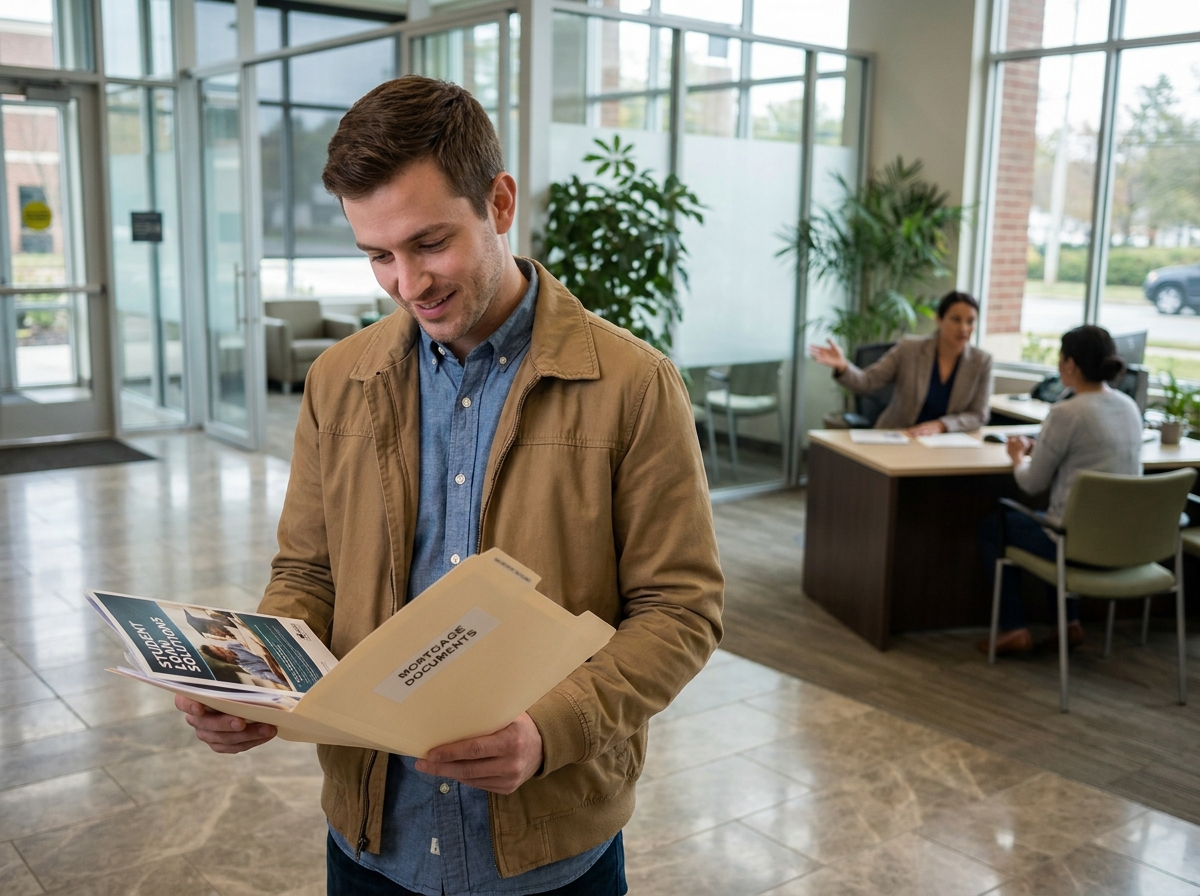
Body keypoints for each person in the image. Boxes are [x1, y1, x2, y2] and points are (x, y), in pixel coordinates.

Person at [174, 75, 724, 896]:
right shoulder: (337, 380)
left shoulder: (633, 385)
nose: (408, 283)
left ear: (499, 203)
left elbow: (680, 610)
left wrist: (550, 729)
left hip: (548, 855)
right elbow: (309, 574)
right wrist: (259, 683)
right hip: (373, 841)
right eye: (378, 256)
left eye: (429, 244)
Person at [980, 325, 1143, 654]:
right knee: (1055, 519)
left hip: (1075, 543)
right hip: (1125, 543)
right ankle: (1068, 624)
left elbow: (1031, 483)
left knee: (996, 527)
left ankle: (1015, 628)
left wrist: (1017, 456)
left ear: (1070, 364)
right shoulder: (1129, 407)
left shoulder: (1067, 412)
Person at [809, 291, 993, 435]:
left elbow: (978, 415)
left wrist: (942, 425)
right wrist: (843, 366)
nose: (964, 328)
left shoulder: (981, 362)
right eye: (956, 319)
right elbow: (867, 382)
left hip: (946, 444)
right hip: (898, 435)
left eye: (970, 321)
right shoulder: (910, 349)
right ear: (939, 319)